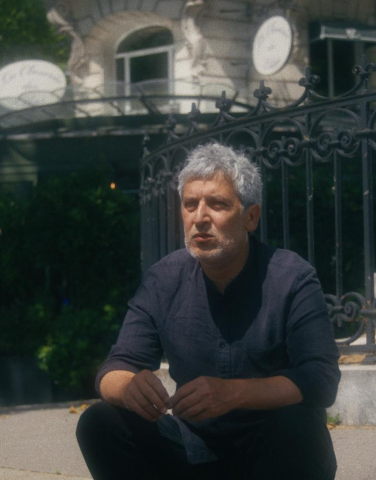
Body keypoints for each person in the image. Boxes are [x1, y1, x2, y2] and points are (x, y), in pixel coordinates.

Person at [76, 143, 341, 480]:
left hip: (272, 450)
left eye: (217, 204)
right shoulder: (164, 279)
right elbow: (113, 369)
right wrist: (129, 388)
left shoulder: (291, 277)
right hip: (191, 450)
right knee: (100, 422)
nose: (200, 218)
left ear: (250, 217)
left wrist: (235, 393)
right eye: (190, 205)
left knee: (298, 422)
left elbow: (321, 379)